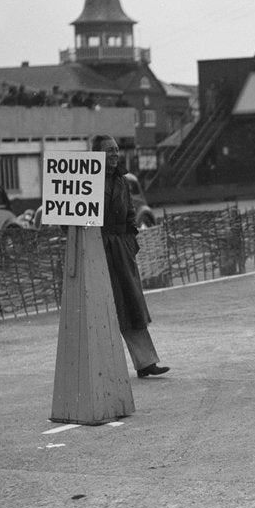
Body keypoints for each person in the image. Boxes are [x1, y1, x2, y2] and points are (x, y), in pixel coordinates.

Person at [93, 134, 169, 379]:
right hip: (97, 251)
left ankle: (145, 362)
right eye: (109, 151)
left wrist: (129, 241)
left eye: (116, 150)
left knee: (131, 306)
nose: (115, 154)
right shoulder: (88, 179)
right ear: (97, 154)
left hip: (121, 251)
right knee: (101, 310)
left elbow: (129, 212)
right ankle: (99, 368)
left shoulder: (122, 180)